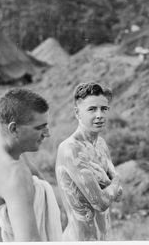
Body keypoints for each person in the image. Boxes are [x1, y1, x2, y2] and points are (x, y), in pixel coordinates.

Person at [0, 88, 61, 242]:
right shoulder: (14, 174)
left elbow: (38, 176)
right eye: (40, 128)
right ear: (14, 129)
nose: (47, 133)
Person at [55, 82, 122, 241]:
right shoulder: (71, 149)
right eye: (92, 109)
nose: (100, 115)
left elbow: (119, 194)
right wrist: (115, 180)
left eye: (104, 109)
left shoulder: (101, 144)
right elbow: (101, 203)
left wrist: (108, 183)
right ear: (77, 113)